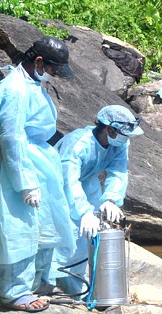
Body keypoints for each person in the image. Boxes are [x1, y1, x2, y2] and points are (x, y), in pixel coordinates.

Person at [0, 36, 77, 312]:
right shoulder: (15, 88)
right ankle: (14, 290)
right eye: (53, 69)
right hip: (20, 164)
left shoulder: (31, 82)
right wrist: (25, 183)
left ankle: (39, 280)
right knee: (19, 227)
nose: (54, 76)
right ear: (39, 62)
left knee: (45, 222)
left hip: (40, 159)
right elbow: (12, 135)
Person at [50, 105, 143, 296]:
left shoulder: (119, 143)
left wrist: (111, 199)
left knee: (87, 236)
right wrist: (83, 211)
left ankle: (75, 287)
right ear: (109, 129)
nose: (126, 139)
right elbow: (68, 179)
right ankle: (48, 281)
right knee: (60, 233)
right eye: (124, 133)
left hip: (87, 183)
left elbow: (118, 171)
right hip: (56, 186)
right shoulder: (79, 143)